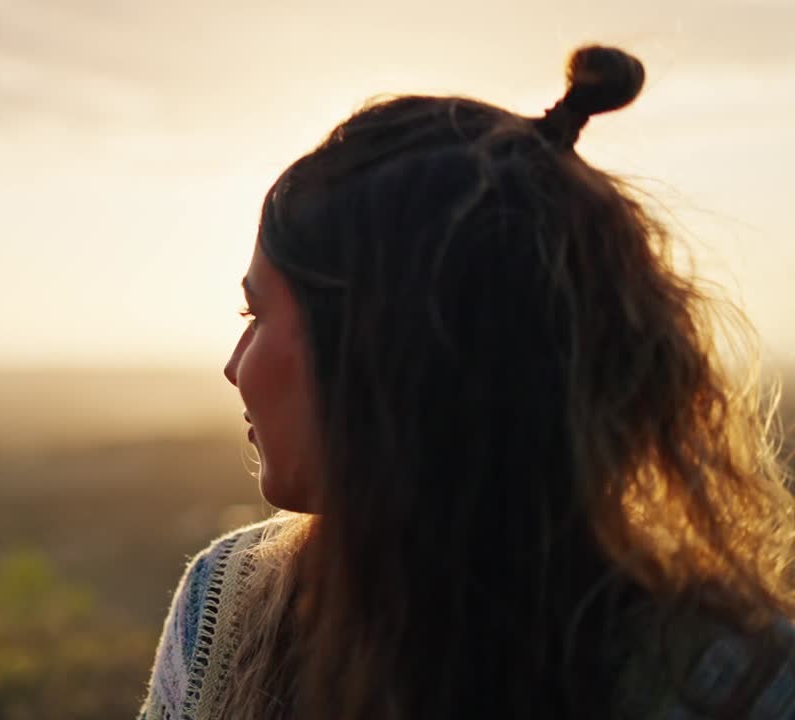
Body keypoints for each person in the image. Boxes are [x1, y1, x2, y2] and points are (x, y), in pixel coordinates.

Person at [137, 45, 795, 720]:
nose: (233, 365)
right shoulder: (223, 607)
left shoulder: (754, 688)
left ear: (386, 357)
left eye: (257, 314)